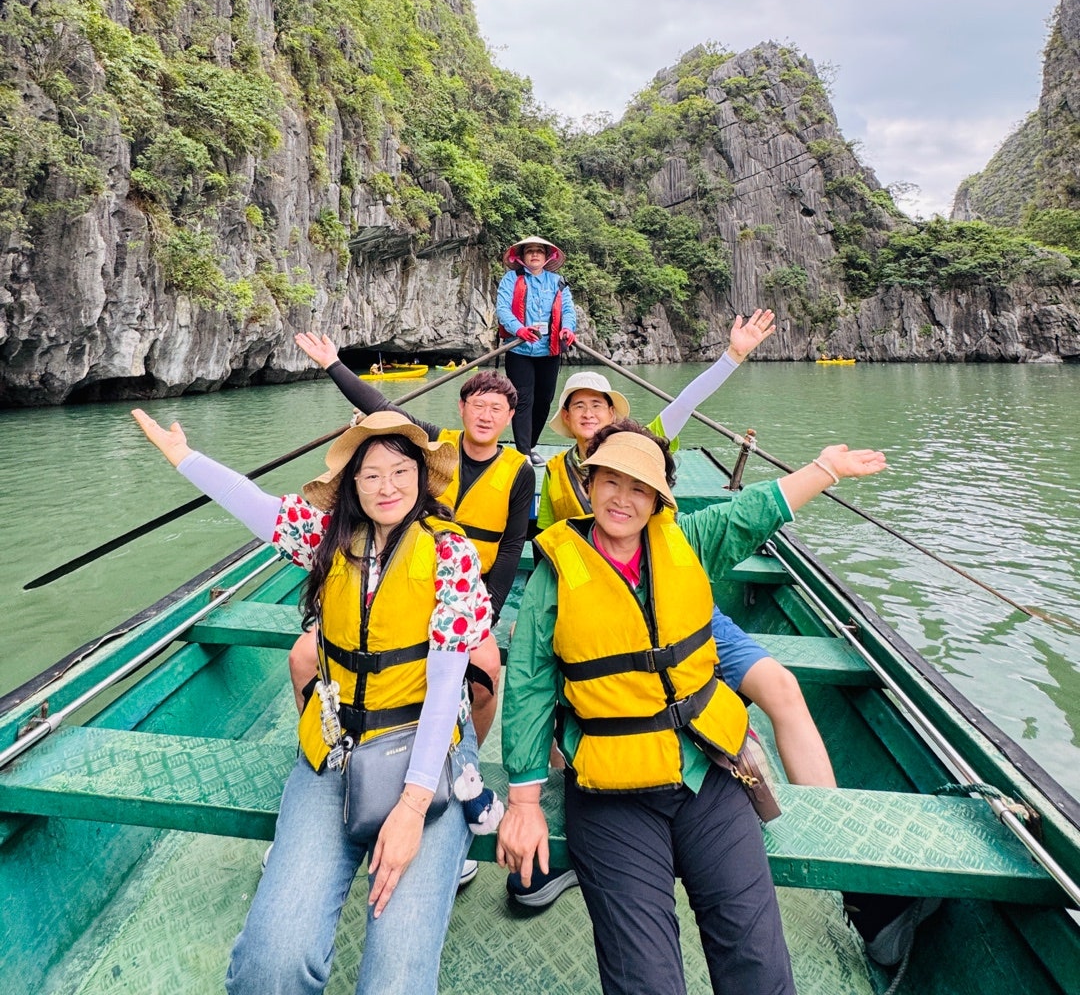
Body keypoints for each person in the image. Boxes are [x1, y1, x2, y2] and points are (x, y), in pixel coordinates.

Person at [497, 419, 886, 995]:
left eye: (638, 488)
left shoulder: (688, 540)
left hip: (709, 773)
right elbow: (529, 684)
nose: (622, 499)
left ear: (658, 499)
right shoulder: (555, 572)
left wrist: (825, 469)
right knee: (645, 979)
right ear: (590, 484)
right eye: (610, 482)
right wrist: (525, 800)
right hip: (612, 793)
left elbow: (756, 509)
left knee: (757, 963)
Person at [131, 405, 490, 995]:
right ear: (351, 484)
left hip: (428, 757)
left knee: (394, 981)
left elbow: (449, 682)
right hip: (336, 749)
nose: (386, 487)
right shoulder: (329, 539)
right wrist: (183, 457)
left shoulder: (449, 554)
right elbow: (253, 505)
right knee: (269, 967)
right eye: (370, 474)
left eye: (401, 472)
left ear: (423, 479)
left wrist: (410, 809)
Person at [293, 332, 534, 753]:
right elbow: (384, 409)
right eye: (477, 405)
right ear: (462, 408)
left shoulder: (519, 471)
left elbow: (513, 547)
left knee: (488, 670)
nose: (485, 415)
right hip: (400, 579)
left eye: (496, 408)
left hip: (466, 596)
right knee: (302, 658)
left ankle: (465, 756)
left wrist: (489, 612)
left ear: (511, 415)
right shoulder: (435, 445)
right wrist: (334, 363)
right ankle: (324, 740)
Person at [496, 236, 577, 460]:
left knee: (544, 400)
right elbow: (503, 309)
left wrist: (568, 328)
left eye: (539, 251)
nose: (534, 254)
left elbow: (568, 310)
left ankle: (530, 446)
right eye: (529, 251)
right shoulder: (510, 279)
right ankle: (522, 453)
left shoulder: (557, 281)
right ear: (521, 257)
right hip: (519, 349)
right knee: (523, 399)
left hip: (548, 350)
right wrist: (518, 329)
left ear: (546, 256)